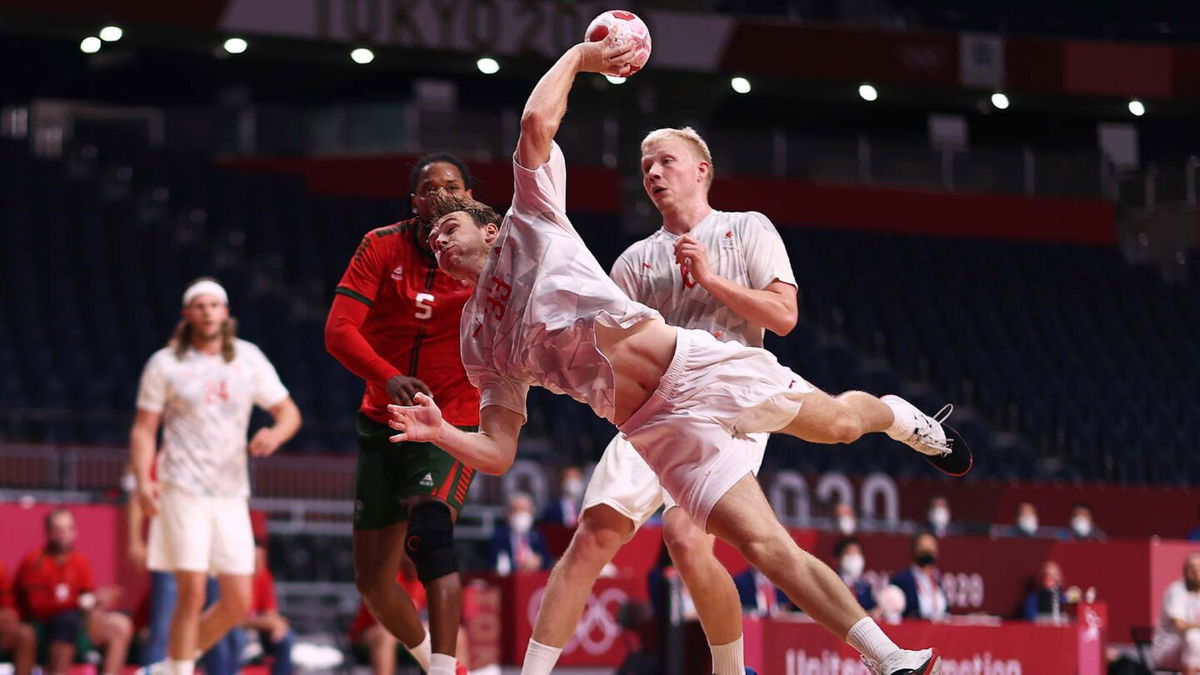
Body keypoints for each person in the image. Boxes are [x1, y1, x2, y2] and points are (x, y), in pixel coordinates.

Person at [389, 36, 970, 675]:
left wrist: (582, 58)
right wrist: (443, 431)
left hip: (703, 365)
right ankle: (890, 660)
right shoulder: (479, 340)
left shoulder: (534, 219)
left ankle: (895, 415)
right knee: (749, 542)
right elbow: (499, 452)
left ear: (490, 227)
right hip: (651, 427)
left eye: (450, 228)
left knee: (838, 426)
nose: (438, 243)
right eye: (430, 239)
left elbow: (535, 122)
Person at [527, 121, 800, 675]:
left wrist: (710, 279)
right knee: (591, 536)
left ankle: (730, 671)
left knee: (686, 538)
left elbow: (784, 317)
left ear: (702, 170)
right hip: (653, 411)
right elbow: (601, 345)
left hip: (729, 406)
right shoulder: (632, 263)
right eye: (646, 165)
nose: (652, 172)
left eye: (665, 160)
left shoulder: (747, 229)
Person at [324, 153, 482, 675]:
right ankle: (446, 668)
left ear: (468, 195)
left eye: (452, 186)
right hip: (383, 419)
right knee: (373, 583)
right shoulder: (380, 245)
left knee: (429, 533)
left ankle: (443, 669)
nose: (441, 194)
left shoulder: (493, 249)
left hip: (450, 419)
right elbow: (339, 330)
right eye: (430, 188)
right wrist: (387, 375)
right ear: (414, 202)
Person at [130, 278, 301, 675]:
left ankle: (169, 668)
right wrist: (142, 479)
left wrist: (274, 433)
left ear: (226, 314)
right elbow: (143, 429)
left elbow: (289, 413)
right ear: (187, 314)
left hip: (230, 494)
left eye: (214, 305)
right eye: (200, 305)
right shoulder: (165, 363)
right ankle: (179, 671)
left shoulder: (248, 358)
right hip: (181, 490)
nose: (208, 312)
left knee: (238, 600)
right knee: (189, 593)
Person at [124, 465, 239, 675]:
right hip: (175, 549)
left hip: (212, 551)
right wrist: (135, 541)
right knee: (162, 627)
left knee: (220, 626)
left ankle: (174, 667)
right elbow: (137, 495)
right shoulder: (173, 452)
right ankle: (156, 669)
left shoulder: (222, 454)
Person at [14, 508, 132, 675]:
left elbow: (86, 597)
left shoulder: (80, 561)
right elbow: (38, 607)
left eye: (69, 528)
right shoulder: (34, 560)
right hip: (43, 626)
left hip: (78, 622)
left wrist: (98, 602)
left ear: (75, 532)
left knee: (120, 625)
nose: (64, 534)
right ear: (48, 532)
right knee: (65, 621)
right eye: (58, 529)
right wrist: (79, 602)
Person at [1152, 552, 1200, 675]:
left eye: (1199, 567)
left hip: (1190, 652)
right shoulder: (1176, 591)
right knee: (1194, 637)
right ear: (1185, 571)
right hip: (1169, 648)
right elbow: (1180, 626)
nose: (1196, 571)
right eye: (1192, 568)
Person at [888, 532, 948, 621]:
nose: (926, 550)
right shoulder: (901, 579)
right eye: (922, 547)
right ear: (914, 549)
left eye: (930, 547)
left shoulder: (938, 579)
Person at [490, 492, 551, 574]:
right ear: (508, 513)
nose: (522, 514)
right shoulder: (499, 536)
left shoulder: (537, 536)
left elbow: (547, 560)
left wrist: (539, 561)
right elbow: (493, 563)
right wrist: (520, 566)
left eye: (525, 510)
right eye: (517, 510)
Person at [834, 537, 876, 613]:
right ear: (839, 559)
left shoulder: (865, 586)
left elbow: (872, 608)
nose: (854, 559)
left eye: (857, 554)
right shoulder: (832, 582)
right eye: (849, 554)